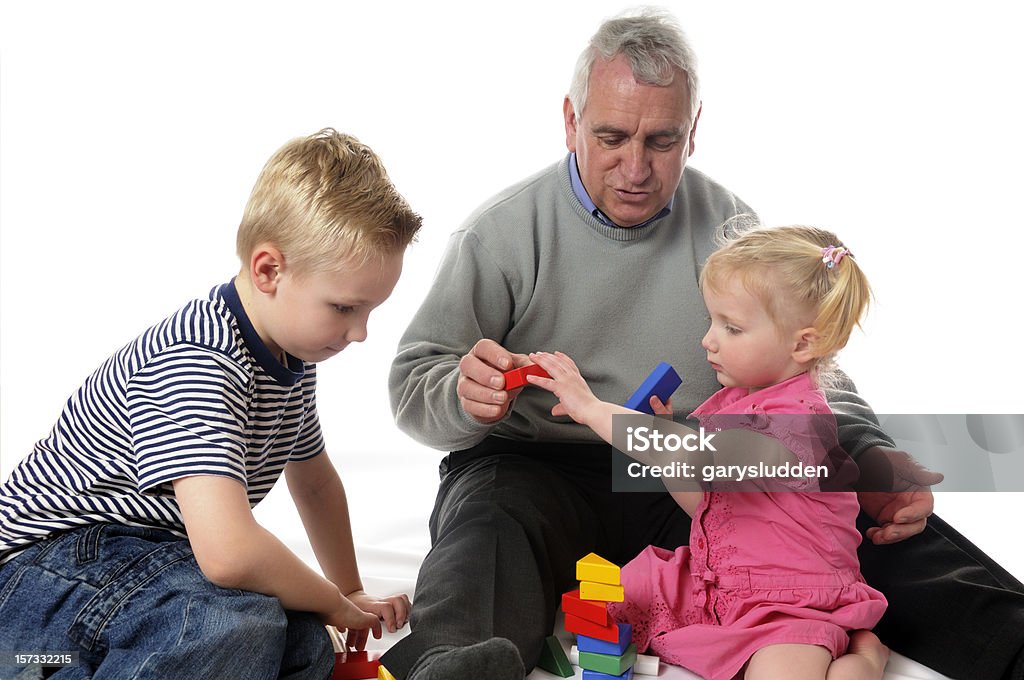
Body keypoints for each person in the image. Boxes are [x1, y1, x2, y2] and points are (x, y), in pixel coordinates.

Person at [385, 8, 1024, 680]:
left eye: (661, 140)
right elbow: (413, 381)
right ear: (571, 121)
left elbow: (808, 374)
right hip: (537, 470)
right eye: (611, 136)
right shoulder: (502, 233)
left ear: (693, 131)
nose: (636, 166)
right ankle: (451, 666)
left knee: (836, 527)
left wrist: (868, 459)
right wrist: (461, 393)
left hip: (689, 473)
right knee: (485, 531)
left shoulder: (728, 229)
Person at [0, 129, 420, 679]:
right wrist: (332, 602)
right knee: (223, 626)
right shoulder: (197, 359)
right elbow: (228, 552)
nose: (360, 332)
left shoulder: (289, 358)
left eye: (370, 312)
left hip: (152, 568)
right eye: (344, 308)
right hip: (48, 574)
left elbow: (313, 480)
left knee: (303, 642)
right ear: (269, 270)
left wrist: (347, 590)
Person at [528, 225, 890, 680]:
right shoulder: (733, 402)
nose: (708, 341)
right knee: (611, 595)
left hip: (790, 603)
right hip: (719, 578)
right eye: (712, 321)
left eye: (732, 328)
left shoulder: (794, 425)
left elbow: (685, 458)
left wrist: (593, 409)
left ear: (803, 344)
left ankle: (865, 657)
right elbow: (708, 506)